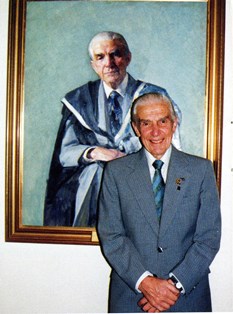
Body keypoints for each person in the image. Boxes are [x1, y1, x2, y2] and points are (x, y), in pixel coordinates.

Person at [97, 87, 221, 313]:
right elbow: (112, 236)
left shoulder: (201, 170)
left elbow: (208, 238)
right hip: (132, 297)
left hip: (187, 297)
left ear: (174, 124)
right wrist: (146, 283)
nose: (155, 132)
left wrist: (172, 287)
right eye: (146, 123)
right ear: (136, 128)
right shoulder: (116, 172)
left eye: (162, 121)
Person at [44, 31, 182, 227]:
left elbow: (170, 145)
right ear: (93, 64)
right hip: (93, 189)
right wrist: (95, 152)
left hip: (141, 178)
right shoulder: (79, 100)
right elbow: (66, 153)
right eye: (100, 57)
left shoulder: (154, 96)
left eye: (115, 54)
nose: (109, 63)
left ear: (127, 58)